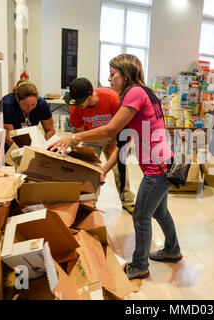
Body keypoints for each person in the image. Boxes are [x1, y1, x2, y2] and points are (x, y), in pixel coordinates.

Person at [49, 54, 182, 279]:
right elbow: (124, 141)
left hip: (156, 169)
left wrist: (73, 138)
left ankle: (140, 266)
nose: (108, 79)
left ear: (126, 74)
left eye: (113, 74)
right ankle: (172, 249)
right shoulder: (140, 92)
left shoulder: (134, 93)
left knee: (140, 217)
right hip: (164, 162)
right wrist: (104, 169)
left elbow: (111, 130)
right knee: (160, 211)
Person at [65, 77, 135, 214]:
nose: (78, 105)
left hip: (113, 136)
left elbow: (121, 126)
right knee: (88, 170)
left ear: (91, 95)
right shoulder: (76, 107)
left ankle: (128, 201)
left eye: (81, 102)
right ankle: (89, 203)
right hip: (91, 137)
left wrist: (113, 145)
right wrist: (74, 152)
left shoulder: (112, 99)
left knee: (119, 168)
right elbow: (79, 131)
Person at [0, 80, 55, 152]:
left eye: (33, 105)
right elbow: (8, 136)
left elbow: (49, 130)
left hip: (31, 140)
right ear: (17, 98)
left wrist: (47, 149)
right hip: (10, 144)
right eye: (26, 105)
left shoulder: (42, 104)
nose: (29, 108)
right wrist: (22, 153)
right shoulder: (7, 105)